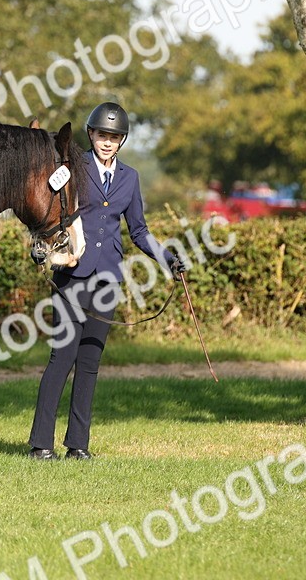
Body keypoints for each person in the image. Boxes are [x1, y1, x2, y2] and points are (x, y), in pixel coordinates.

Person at [28, 101, 188, 460]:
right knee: (62, 357)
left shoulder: (130, 178)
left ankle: (78, 445)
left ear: (122, 140)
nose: (107, 142)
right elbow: (46, 210)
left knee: (89, 362)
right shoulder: (72, 168)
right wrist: (40, 245)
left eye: (114, 137)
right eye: (102, 135)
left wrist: (167, 259)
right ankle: (41, 443)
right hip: (72, 273)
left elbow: (140, 231)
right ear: (91, 134)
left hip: (108, 279)